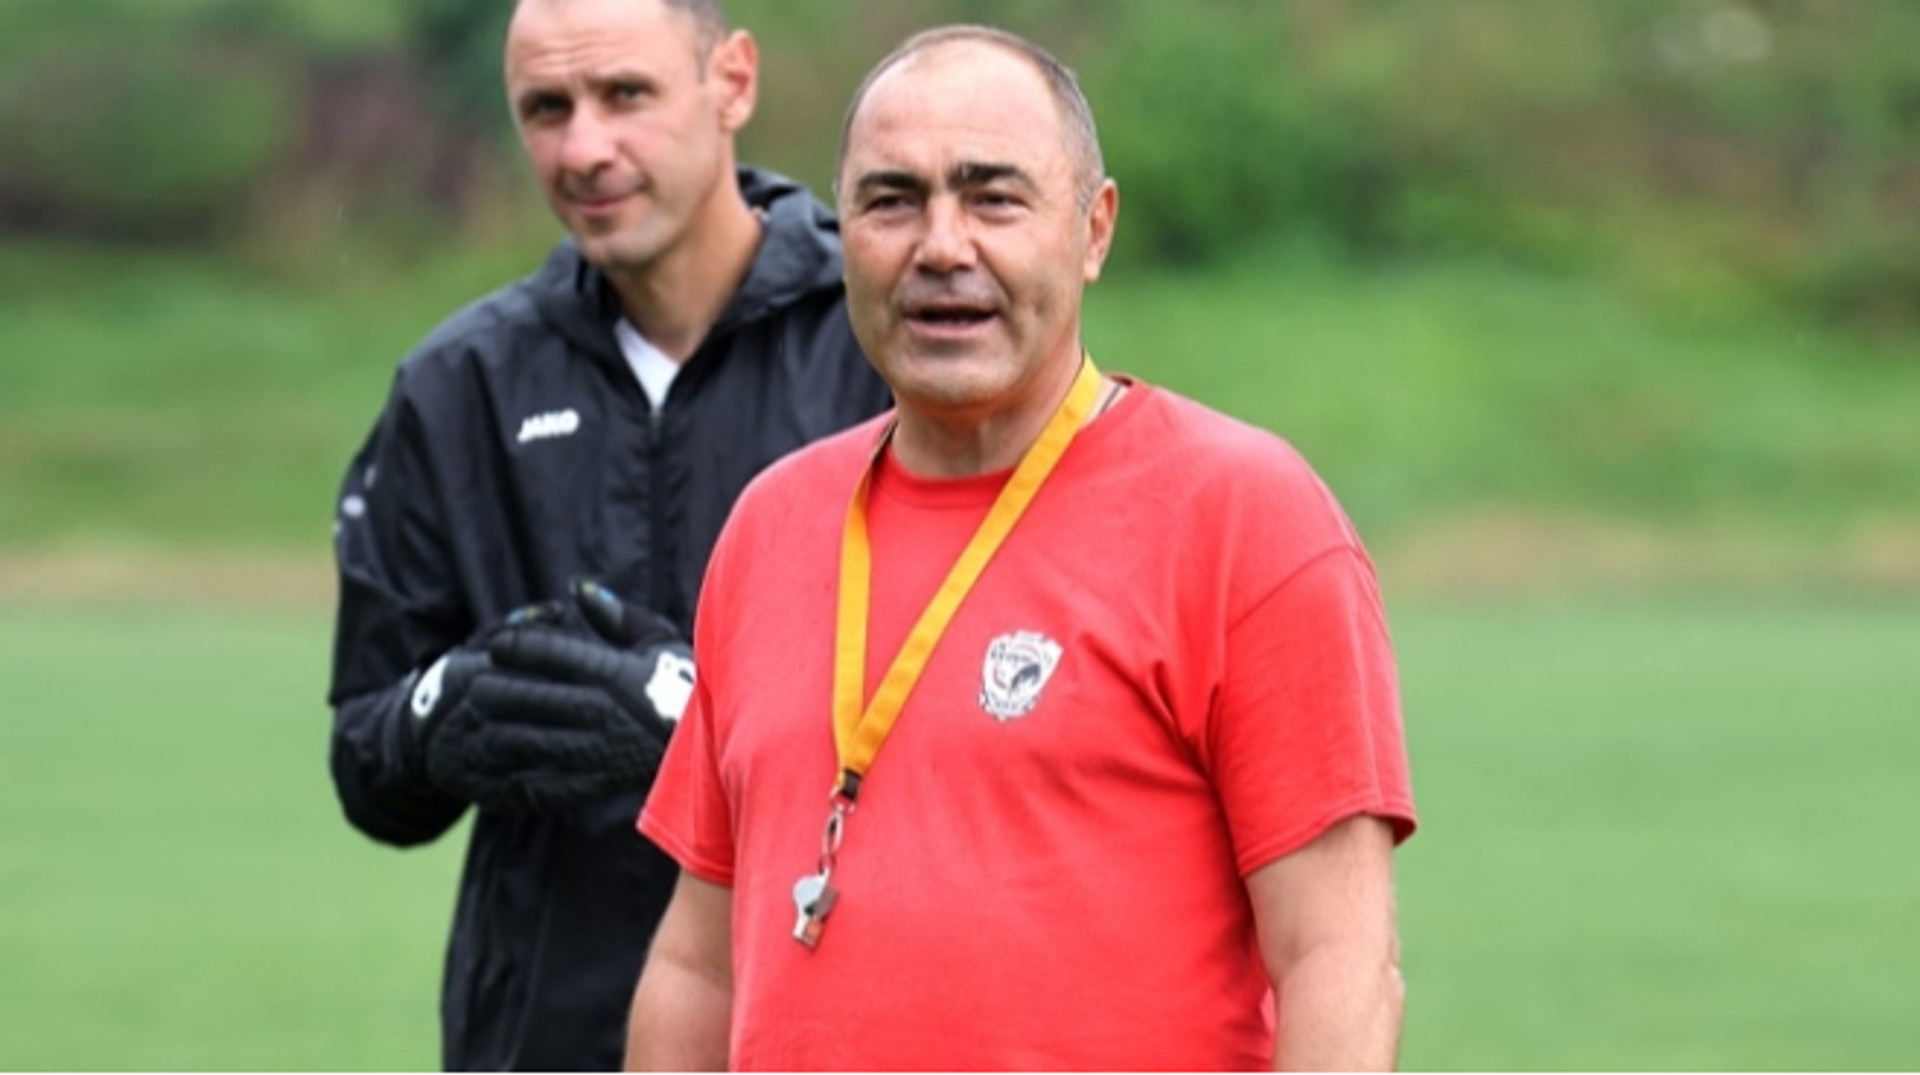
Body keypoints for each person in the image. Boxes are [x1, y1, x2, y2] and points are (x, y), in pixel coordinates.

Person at [625, 23, 1419, 1073]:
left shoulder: (1243, 516)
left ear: (1093, 229)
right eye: (891, 200)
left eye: (993, 198)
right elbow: (698, 966)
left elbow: (1340, 960)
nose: (941, 247)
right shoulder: (772, 524)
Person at [325, 0, 893, 1068]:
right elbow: (367, 763)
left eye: (625, 94)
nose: (584, 147)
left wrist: (690, 719)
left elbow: (987, 728)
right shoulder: (460, 386)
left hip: (825, 1027)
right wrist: (441, 715)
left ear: (732, 82)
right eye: (547, 108)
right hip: (544, 1036)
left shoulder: (888, 349)